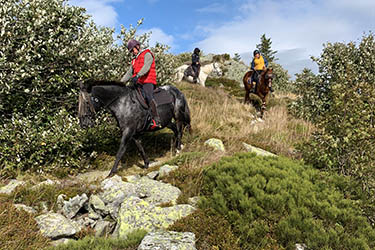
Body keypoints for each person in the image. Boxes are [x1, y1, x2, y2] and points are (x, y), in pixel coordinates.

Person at [121, 39, 161, 128]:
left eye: (133, 50)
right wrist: (120, 83)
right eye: (131, 51)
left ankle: (156, 119)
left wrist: (138, 75)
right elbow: (129, 72)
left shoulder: (147, 54)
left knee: (148, 96)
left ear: (137, 47)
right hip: (139, 82)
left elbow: (146, 67)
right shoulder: (134, 60)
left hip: (148, 81)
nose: (132, 52)